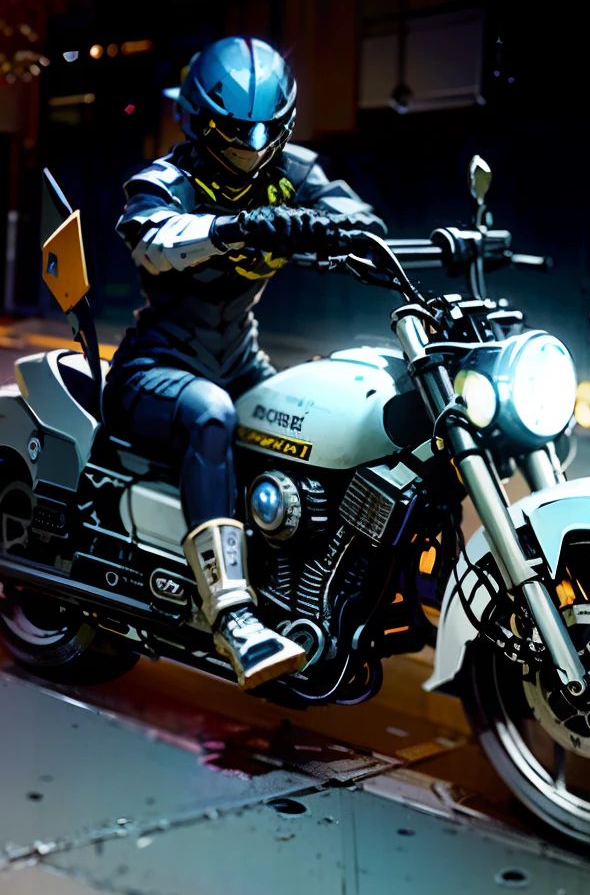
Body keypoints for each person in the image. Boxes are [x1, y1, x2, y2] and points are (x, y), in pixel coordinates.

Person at [104, 36, 386, 687]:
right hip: (157, 370)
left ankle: (305, 589)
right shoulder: (165, 180)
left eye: (268, 130)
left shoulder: (295, 172)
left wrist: (341, 230)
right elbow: (152, 240)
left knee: (313, 425)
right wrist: (238, 228)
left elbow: (360, 219)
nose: (254, 144)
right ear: (201, 123)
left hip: (240, 360)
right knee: (210, 413)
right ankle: (233, 617)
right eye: (236, 131)